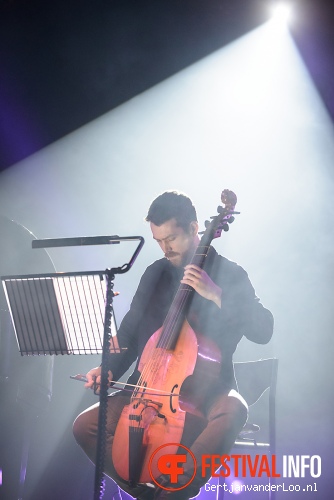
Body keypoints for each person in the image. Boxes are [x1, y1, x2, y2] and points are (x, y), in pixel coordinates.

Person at [73, 190, 274, 500]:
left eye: (171, 239)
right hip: (150, 390)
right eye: (158, 241)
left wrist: (217, 294)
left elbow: (264, 329)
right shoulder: (155, 274)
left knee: (235, 409)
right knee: (85, 425)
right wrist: (107, 369)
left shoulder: (231, 274)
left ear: (195, 229)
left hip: (208, 390)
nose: (165, 248)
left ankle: (174, 490)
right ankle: (148, 493)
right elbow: (128, 333)